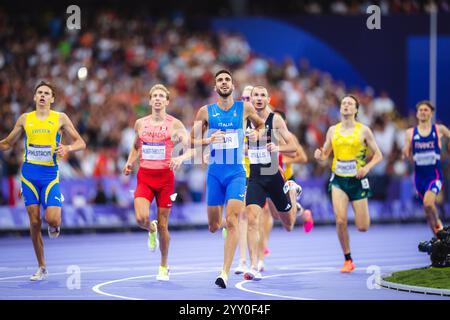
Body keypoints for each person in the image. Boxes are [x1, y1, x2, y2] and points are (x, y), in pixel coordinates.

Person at [0, 81, 86, 281]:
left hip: (49, 176)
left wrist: (67, 148)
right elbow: (7, 143)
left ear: (52, 98)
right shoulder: (25, 119)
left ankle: (55, 224)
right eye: (39, 92)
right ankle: (41, 266)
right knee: (34, 221)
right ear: (34, 97)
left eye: (47, 93)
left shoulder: (60, 118)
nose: (42, 96)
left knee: (52, 219)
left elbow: (81, 142)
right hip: (29, 176)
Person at [190, 70, 265, 288]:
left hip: (236, 173)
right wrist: (208, 139)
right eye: (220, 80)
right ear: (215, 88)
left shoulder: (245, 108)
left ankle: (224, 273)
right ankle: (222, 226)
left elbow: (261, 125)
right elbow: (191, 139)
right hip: (215, 173)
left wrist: (256, 134)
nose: (224, 83)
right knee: (214, 225)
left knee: (233, 220)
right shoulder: (205, 112)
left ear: (233, 85)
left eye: (227, 80)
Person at [123, 84, 193, 281]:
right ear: (149, 100)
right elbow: (136, 146)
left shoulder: (175, 124)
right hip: (145, 177)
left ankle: (164, 265)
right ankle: (149, 228)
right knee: (140, 218)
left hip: (165, 180)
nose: (158, 99)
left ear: (167, 101)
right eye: (154, 95)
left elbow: (190, 148)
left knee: (164, 225)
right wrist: (129, 162)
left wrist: (180, 157)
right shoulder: (140, 123)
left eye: (162, 96)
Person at [314, 95, 383, 273]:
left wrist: (367, 168)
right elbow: (324, 156)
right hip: (338, 179)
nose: (345, 106)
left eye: (350, 104)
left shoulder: (364, 130)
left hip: (358, 180)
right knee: (340, 220)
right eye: (343, 103)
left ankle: (359, 228)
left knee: (362, 227)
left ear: (356, 110)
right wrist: (319, 156)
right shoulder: (332, 130)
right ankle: (347, 259)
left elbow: (378, 155)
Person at [243, 85, 304, 280]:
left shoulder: (275, 119)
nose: (259, 98)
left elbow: (294, 148)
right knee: (252, 219)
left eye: (263, 95)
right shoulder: (244, 121)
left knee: (287, 224)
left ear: (268, 100)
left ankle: (292, 195)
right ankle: (253, 265)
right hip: (255, 178)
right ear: (250, 100)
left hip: (274, 177)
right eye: (256, 95)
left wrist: (276, 146)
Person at [256, 109, 313, 273]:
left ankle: (263, 246)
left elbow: (302, 157)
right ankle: (303, 212)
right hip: (273, 177)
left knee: (284, 221)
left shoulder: (289, 138)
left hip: (288, 179)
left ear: (284, 122)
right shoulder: (266, 134)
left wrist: (284, 158)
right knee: (274, 215)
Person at [402, 101, 450, 235]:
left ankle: (438, 224)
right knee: (427, 210)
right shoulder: (410, 132)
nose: (423, 112)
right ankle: (439, 241)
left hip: (434, 175)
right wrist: (405, 150)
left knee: (429, 203)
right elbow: (406, 147)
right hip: (419, 178)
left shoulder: (439, 129)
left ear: (431, 113)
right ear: (417, 114)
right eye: (421, 110)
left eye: (426, 110)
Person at [234, 85, 254, 275]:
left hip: (260, 173)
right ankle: (242, 261)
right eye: (244, 98)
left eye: (249, 98)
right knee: (243, 216)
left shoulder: (261, 121)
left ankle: (258, 259)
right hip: (240, 172)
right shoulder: (235, 120)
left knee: (260, 218)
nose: (245, 102)